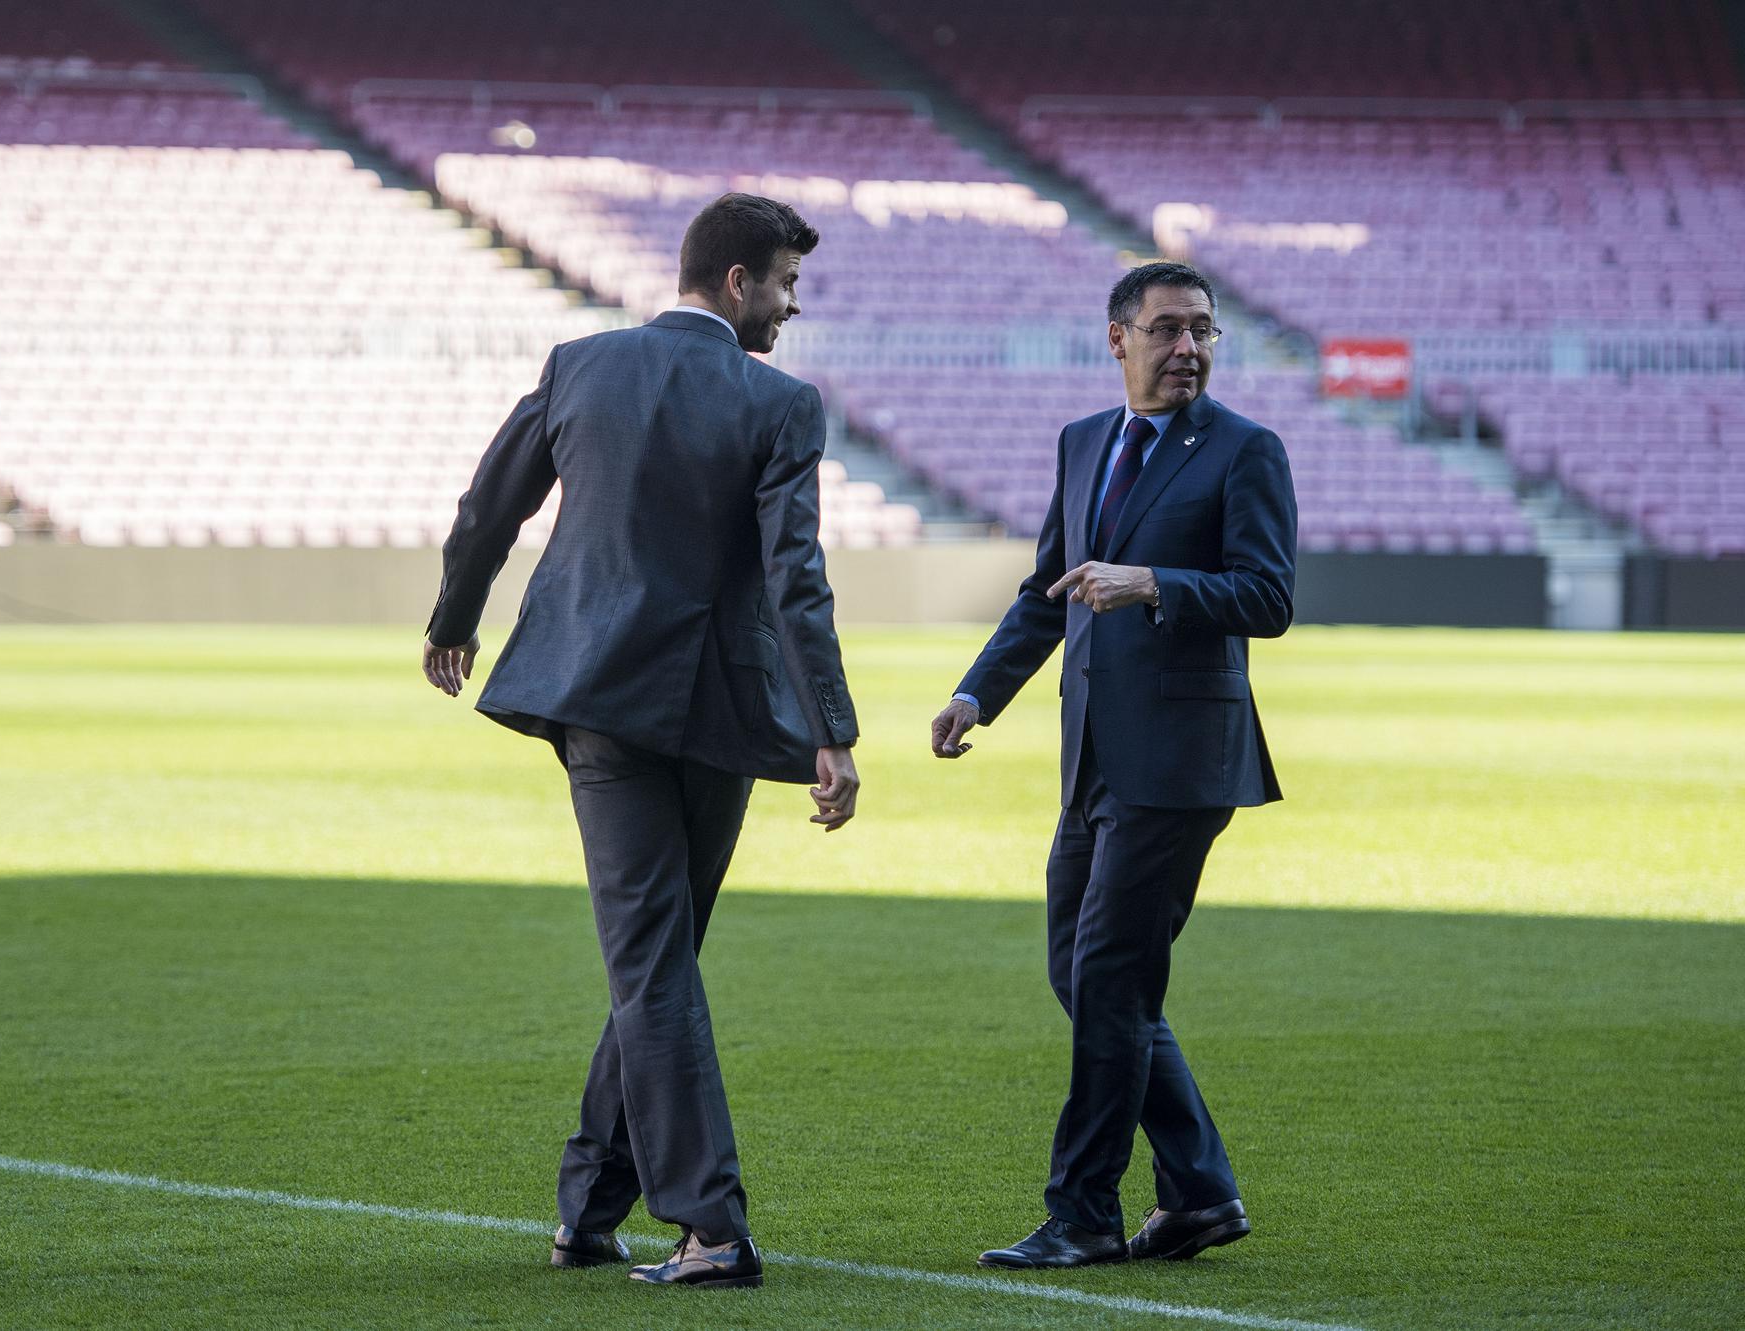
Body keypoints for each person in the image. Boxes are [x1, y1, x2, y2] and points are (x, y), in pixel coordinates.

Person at [420, 193, 860, 1292]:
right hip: (718, 710)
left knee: (651, 960)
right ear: (733, 284)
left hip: (599, 698)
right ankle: (707, 1223)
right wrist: (833, 732)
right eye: (784, 285)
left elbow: (488, 508)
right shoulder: (781, 404)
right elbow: (795, 579)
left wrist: (453, 619)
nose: (790, 308)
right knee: (660, 956)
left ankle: (594, 1212)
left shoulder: (579, 364)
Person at [929, 261, 1295, 1270]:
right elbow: (1048, 591)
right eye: (1168, 329)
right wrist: (975, 693)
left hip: (1181, 763)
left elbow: (1267, 595)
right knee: (1083, 972)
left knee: (1107, 975)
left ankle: (1084, 1211)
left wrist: (1154, 583)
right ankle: (1199, 1192)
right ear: (1117, 337)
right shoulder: (1082, 441)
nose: (1189, 348)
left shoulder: (1245, 450)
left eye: (1204, 331)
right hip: (1089, 756)